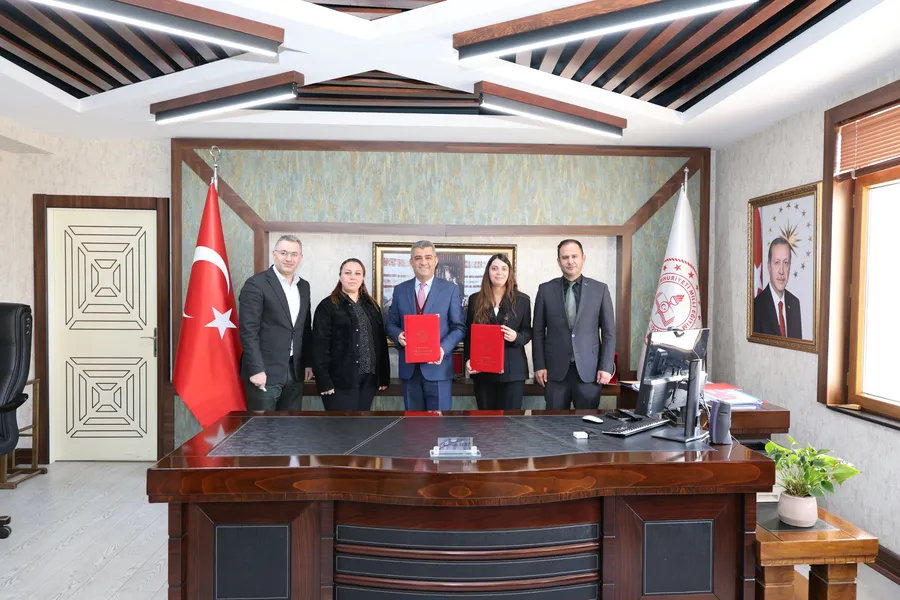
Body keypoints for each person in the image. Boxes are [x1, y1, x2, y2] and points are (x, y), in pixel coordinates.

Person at [532, 239, 616, 410]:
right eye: (565, 257)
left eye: (574, 256)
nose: (570, 261)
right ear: (558, 261)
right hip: (554, 372)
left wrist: (606, 367)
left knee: (588, 422)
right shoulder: (545, 290)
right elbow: (538, 332)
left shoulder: (600, 289)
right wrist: (539, 365)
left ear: (583, 258)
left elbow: (609, 333)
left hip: (589, 372)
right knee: (554, 423)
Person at [385, 240, 466, 410]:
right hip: (410, 371)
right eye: (418, 258)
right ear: (411, 262)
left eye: (428, 257)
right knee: (413, 423)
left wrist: (442, 349)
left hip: (439, 369)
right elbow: (390, 324)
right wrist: (398, 335)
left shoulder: (450, 290)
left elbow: (459, 327)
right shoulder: (400, 290)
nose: (423, 262)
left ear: (435, 260)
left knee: (439, 423)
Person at [238, 234, 313, 410]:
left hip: (295, 372)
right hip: (264, 372)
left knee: (291, 425)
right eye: (283, 253)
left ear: (300, 258)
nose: (289, 258)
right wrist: (256, 369)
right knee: (263, 426)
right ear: (274, 254)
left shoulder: (304, 286)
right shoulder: (256, 284)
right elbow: (248, 331)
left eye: (294, 254)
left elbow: (304, 328)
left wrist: (308, 362)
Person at [312, 258, 390, 410]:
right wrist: (323, 381)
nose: (352, 277)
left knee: (362, 424)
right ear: (340, 276)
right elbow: (319, 346)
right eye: (348, 273)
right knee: (342, 425)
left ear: (363, 277)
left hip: (368, 381)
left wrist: (383, 377)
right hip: (339, 382)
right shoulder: (327, 306)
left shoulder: (372, 306)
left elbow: (380, 343)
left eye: (357, 273)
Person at [463, 254, 532, 410]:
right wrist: (468, 359)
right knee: (486, 420)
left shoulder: (522, 300)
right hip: (483, 370)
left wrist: (516, 337)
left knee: (511, 420)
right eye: (494, 268)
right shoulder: (475, 299)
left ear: (510, 273)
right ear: (488, 272)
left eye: (504, 269)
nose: (499, 272)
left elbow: (528, 331)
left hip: (512, 371)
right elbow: (469, 334)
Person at [753, 237, 802, 338]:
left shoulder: (795, 303)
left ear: (789, 267)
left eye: (786, 263)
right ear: (769, 267)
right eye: (777, 262)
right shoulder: (756, 307)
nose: (781, 271)